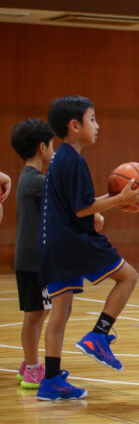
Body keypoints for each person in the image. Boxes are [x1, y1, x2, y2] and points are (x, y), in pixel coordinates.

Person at [37, 96, 139, 401]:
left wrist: (101, 205)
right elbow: (82, 208)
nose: (98, 126)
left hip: (52, 244)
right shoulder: (73, 159)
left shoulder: (59, 158)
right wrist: (120, 200)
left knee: (60, 312)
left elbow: (78, 206)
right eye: (93, 119)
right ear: (75, 126)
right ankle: (99, 335)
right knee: (129, 277)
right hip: (75, 242)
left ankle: (50, 381)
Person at [10, 119, 55, 389]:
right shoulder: (36, 181)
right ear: (42, 147)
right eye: (52, 145)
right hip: (33, 261)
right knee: (35, 315)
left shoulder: (29, 179)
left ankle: (29, 364)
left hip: (33, 260)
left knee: (38, 313)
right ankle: (33, 368)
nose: (54, 150)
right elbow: (70, 207)